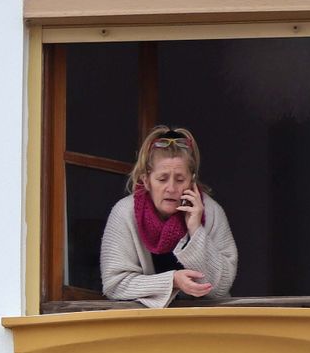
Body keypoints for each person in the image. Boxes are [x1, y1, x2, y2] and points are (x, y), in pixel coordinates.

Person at [100, 126, 237, 308]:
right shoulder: (125, 213)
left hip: (203, 325)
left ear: (192, 180)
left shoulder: (211, 212)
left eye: (180, 179)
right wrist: (172, 281)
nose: (171, 188)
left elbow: (220, 288)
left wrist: (196, 230)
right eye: (162, 179)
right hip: (145, 327)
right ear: (146, 180)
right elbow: (114, 285)